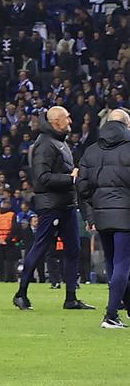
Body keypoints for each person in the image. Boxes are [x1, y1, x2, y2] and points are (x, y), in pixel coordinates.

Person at [14, 107, 95, 312]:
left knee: (73, 250)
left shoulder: (59, 141)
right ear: (56, 121)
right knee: (41, 247)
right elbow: (41, 179)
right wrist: (71, 178)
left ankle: (71, 298)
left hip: (66, 205)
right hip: (51, 207)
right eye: (66, 117)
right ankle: (21, 293)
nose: (70, 120)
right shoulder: (44, 145)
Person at [77, 108, 130, 328]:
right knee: (123, 264)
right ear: (126, 125)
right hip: (126, 215)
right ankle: (110, 315)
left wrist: (91, 216)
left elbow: (82, 188)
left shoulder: (90, 151)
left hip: (101, 216)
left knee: (113, 263)